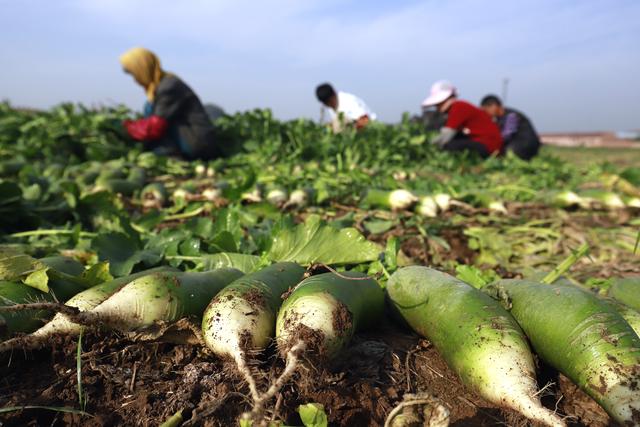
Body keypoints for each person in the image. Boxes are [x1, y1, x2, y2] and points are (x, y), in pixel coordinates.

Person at [120, 47, 220, 160]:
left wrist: (128, 128)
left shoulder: (169, 87)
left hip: (198, 144)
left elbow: (154, 128)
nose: (135, 79)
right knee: (149, 107)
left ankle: (171, 155)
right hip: (191, 139)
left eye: (134, 74)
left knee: (154, 121)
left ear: (142, 69)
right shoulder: (160, 85)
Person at [421, 81, 503, 158]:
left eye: (437, 104)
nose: (436, 107)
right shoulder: (458, 107)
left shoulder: (458, 107)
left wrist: (426, 146)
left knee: (449, 146)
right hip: (484, 144)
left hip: (488, 146)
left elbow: (446, 136)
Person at [480, 94, 541, 160]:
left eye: (486, 110)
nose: (485, 113)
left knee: (502, 153)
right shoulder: (499, 119)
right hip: (517, 145)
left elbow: (506, 135)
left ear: (494, 106)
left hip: (524, 145)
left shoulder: (511, 116)